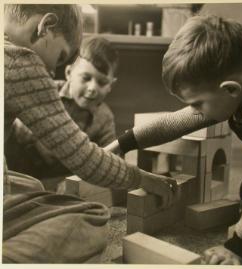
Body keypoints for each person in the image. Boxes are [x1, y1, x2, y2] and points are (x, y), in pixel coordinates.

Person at [3, 4, 178, 263]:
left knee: (33, 188)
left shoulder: (104, 115)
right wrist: (143, 179)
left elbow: (105, 152)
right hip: (31, 168)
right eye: (61, 57)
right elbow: (84, 158)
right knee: (93, 216)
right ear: (46, 27)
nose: (50, 72)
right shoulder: (21, 61)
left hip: (42, 177)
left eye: (101, 82)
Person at [105, 15, 242, 265]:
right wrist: (123, 143)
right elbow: (175, 122)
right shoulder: (235, 93)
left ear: (230, 89)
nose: (195, 111)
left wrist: (240, 246)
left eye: (197, 103)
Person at [5, 36, 119, 178]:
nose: (92, 88)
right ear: (69, 73)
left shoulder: (105, 117)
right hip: (23, 170)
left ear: (111, 86)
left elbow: (110, 156)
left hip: (65, 180)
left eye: (102, 82)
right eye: (86, 78)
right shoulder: (44, 90)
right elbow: (17, 127)